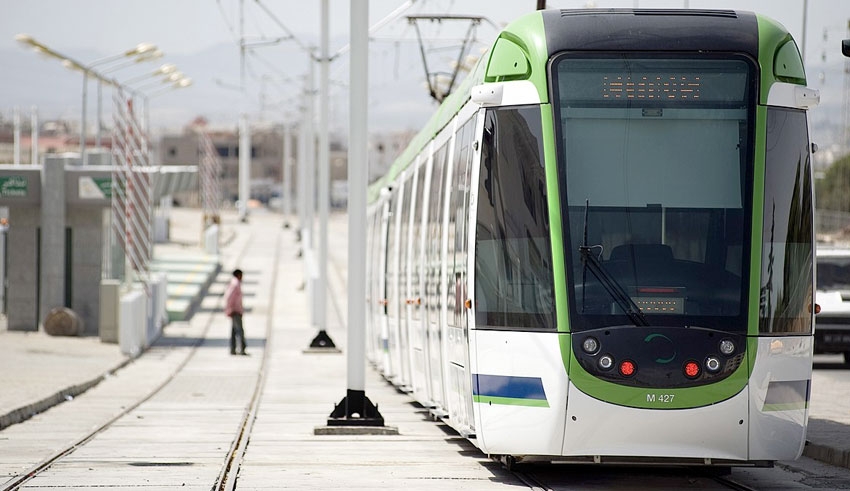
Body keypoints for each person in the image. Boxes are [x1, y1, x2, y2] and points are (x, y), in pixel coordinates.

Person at [224, 268, 247, 355]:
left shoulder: (234, 283)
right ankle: (242, 349)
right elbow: (229, 297)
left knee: (234, 331)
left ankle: (233, 349)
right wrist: (231, 309)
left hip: (235, 310)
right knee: (240, 331)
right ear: (238, 275)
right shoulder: (235, 284)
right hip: (235, 311)